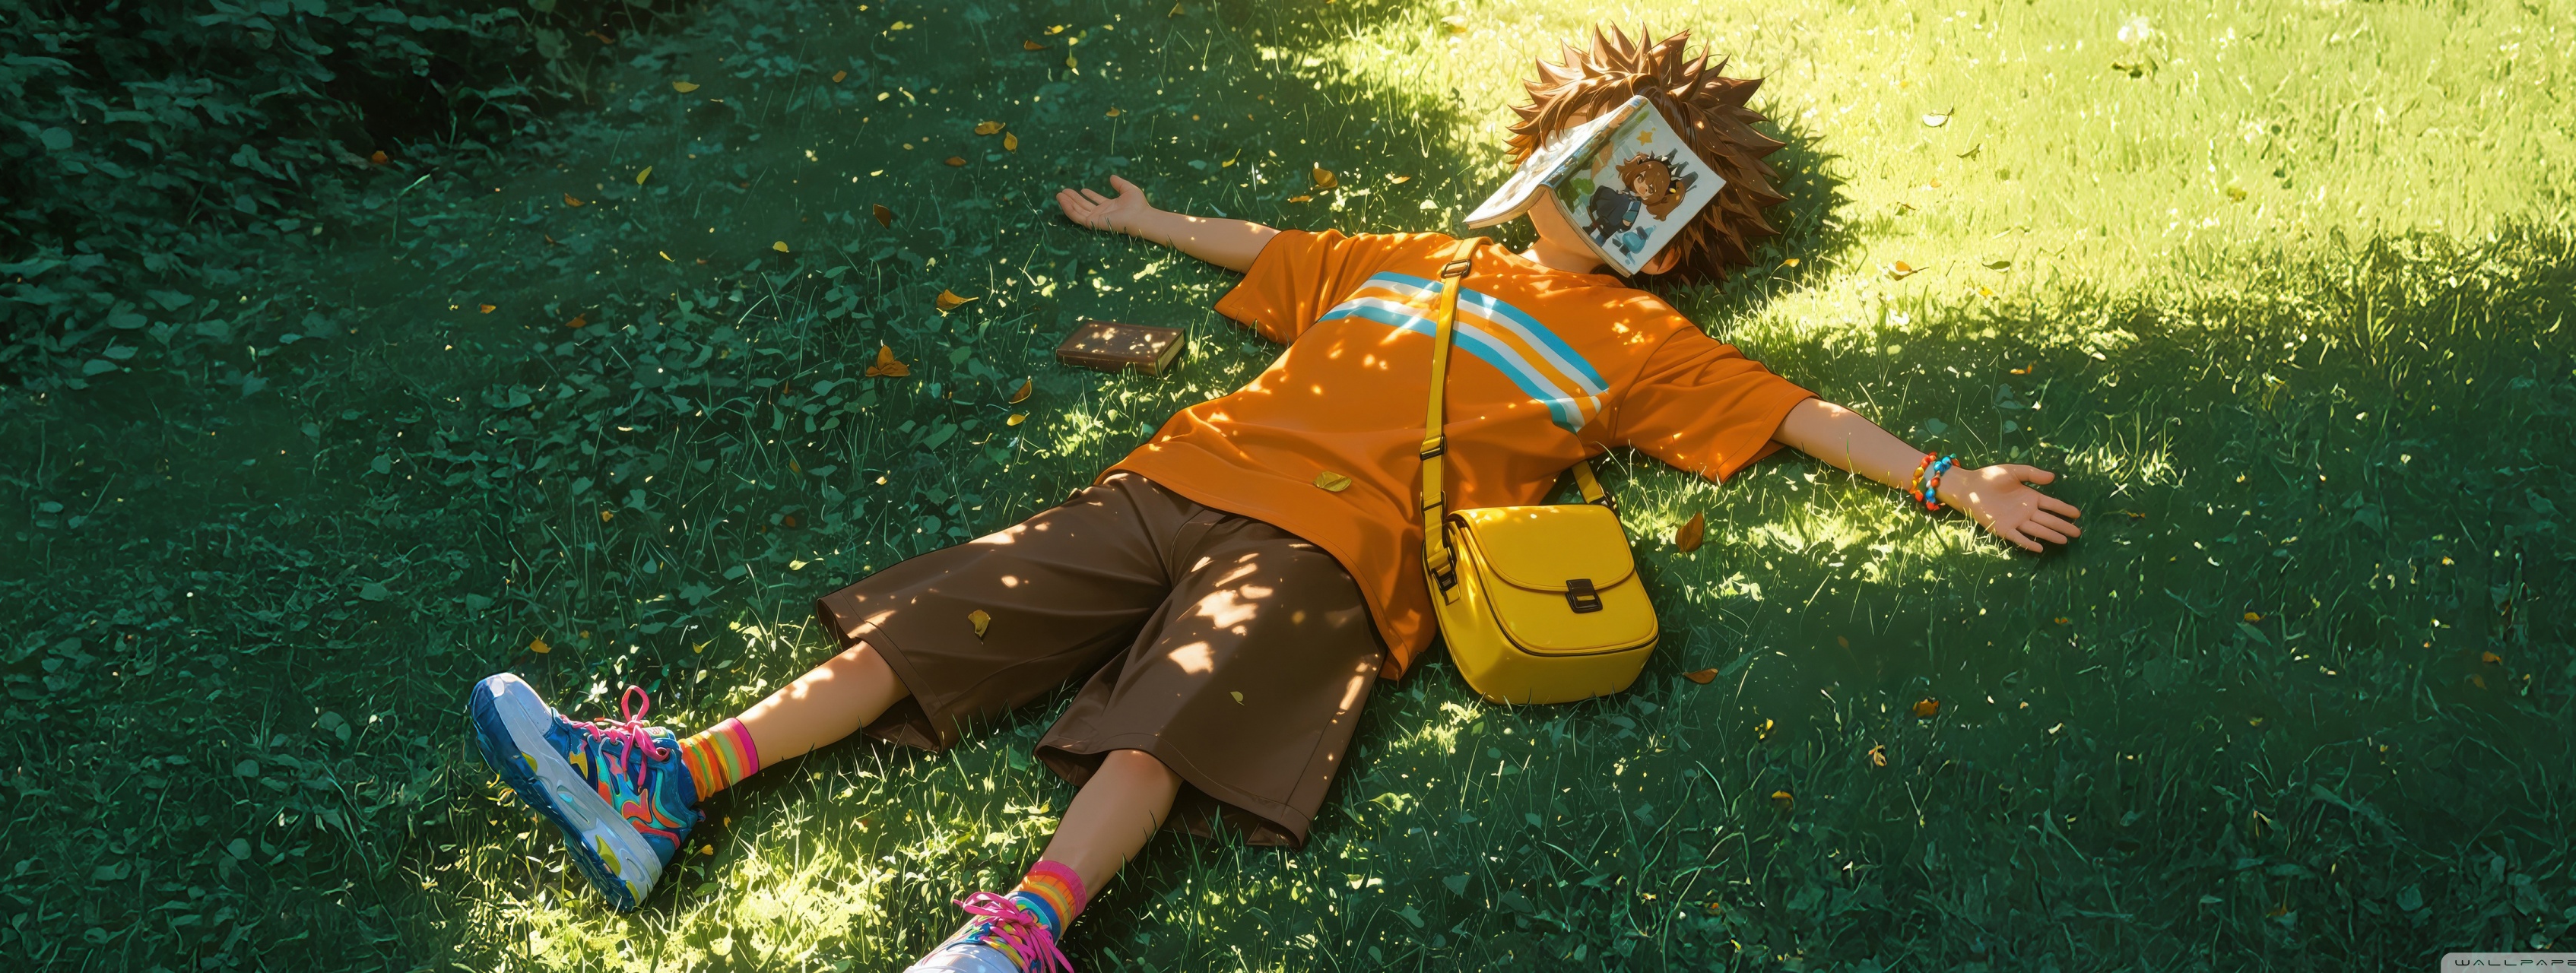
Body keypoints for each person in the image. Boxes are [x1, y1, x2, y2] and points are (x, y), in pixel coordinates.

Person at [464, 26, 2083, 973]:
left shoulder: (1645, 343)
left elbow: (1792, 413)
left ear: (1674, 229)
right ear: (1547, 151)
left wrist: (1950, 480)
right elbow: (1282, 254)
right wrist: (1152, 221)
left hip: (1344, 548)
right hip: (1177, 477)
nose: (1606, 195)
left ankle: (1018, 934)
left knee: (1169, 725)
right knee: (935, 617)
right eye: (1597, 157)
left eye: (1646, 186)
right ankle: (670, 780)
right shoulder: (1417, 256)